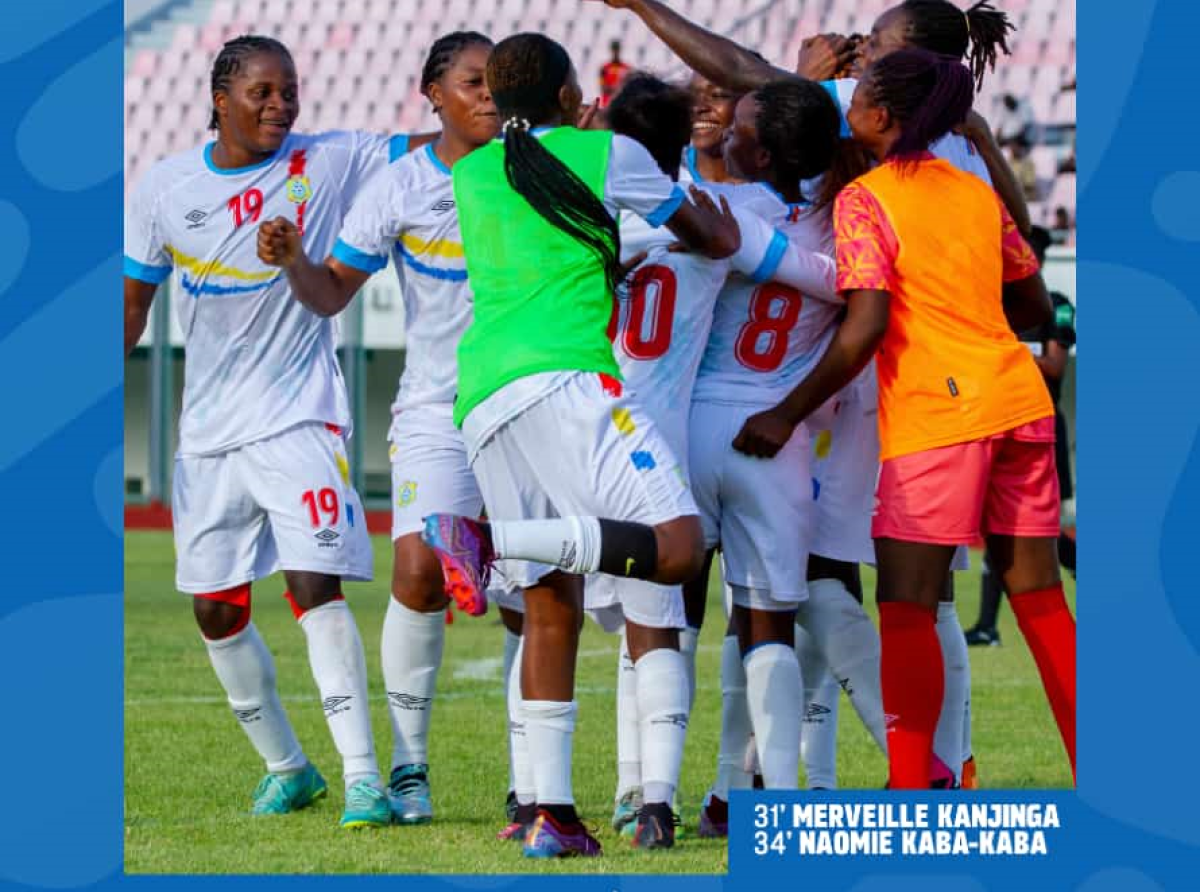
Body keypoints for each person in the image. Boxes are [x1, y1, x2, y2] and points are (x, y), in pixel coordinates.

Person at [418, 33, 739, 857]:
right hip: (568, 379)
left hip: (483, 394)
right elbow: (709, 237)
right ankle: (485, 542)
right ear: (569, 95)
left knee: (549, 605)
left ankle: (550, 815)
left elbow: (561, 236)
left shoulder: (473, 170)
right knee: (678, 545)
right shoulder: (611, 153)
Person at [734, 49, 1077, 786]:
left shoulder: (868, 199)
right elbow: (1034, 308)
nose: (845, 107)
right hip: (1019, 401)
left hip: (937, 415)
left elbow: (863, 328)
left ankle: (916, 789)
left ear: (882, 116)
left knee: (907, 607)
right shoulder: (974, 190)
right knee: (1044, 605)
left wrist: (785, 414)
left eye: (856, 98)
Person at [123, 35, 407, 828]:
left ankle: (364, 779)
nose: (281, 105)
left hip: (298, 419)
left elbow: (433, 144)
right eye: (263, 91)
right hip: (210, 434)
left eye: (290, 90)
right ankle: (291, 768)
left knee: (314, 585)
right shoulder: (166, 187)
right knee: (215, 609)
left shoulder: (331, 158)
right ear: (221, 97)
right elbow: (133, 304)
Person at [254, 32, 498, 826]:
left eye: (499, 82)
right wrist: (294, 258)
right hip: (436, 407)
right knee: (420, 569)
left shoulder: (538, 172)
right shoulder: (399, 187)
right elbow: (329, 295)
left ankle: (539, 783)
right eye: (472, 81)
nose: (490, 94)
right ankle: (408, 768)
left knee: (536, 596)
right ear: (433, 91)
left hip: (532, 404)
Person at [967, 225, 1077, 646]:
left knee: (1042, 532)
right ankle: (987, 625)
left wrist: (1002, 353)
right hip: (993, 422)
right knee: (999, 529)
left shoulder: (1057, 307)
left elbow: (1055, 367)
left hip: (1041, 427)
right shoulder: (993, 303)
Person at [598, 39, 631, 107]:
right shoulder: (604, 68)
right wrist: (618, 88)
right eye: (614, 49)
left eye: (617, 49)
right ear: (611, 50)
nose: (615, 52)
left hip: (622, 105)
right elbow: (603, 88)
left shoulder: (627, 68)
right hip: (608, 105)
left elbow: (629, 88)